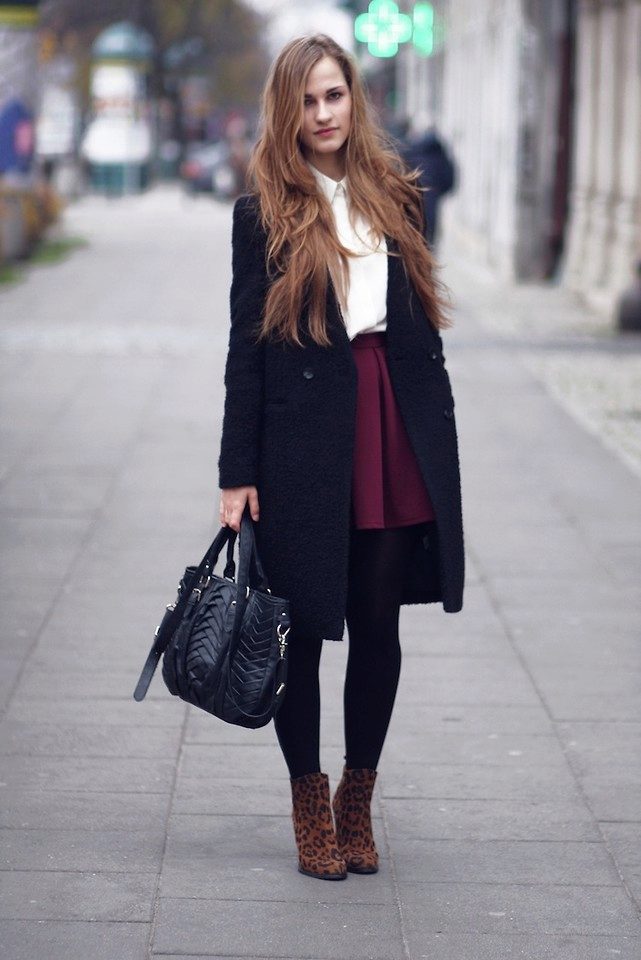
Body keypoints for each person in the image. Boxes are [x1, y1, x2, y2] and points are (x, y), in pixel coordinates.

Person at [218, 35, 464, 882]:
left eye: (334, 95)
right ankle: (307, 804)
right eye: (308, 100)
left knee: (377, 623)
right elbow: (245, 349)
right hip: (305, 438)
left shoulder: (396, 194)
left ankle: (356, 801)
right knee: (304, 630)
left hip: (390, 421)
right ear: (286, 111)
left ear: (353, 100)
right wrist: (236, 472)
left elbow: (419, 322)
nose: (323, 113)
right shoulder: (263, 212)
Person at [403, 126, 457, 248]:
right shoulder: (441, 157)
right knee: (429, 241)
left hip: (412, 204)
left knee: (413, 239)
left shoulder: (411, 153)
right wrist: (437, 193)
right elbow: (449, 181)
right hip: (433, 205)